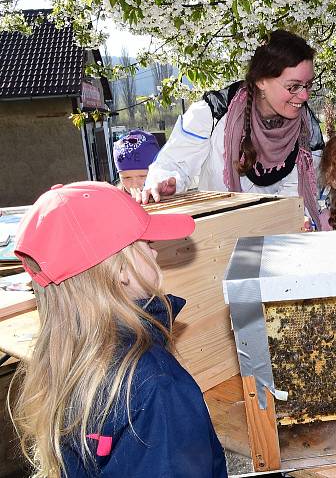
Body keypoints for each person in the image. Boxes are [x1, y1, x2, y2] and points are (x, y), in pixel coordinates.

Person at [11, 182, 226, 477]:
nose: (154, 251)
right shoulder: (158, 386)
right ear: (119, 271)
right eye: (145, 242)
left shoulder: (62, 360)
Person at [138, 30, 325, 227]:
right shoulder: (211, 114)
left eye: (308, 85)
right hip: (215, 235)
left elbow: (295, 200)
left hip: (274, 239)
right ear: (261, 80)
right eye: (293, 86)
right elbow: (174, 163)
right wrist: (167, 182)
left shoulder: (307, 135)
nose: (305, 96)